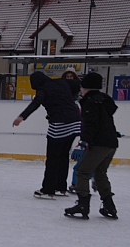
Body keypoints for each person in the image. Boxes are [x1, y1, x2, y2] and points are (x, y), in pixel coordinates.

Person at [12, 71, 81, 199]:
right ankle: (61, 187)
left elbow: (35, 103)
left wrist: (21, 117)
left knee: (53, 158)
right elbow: (78, 84)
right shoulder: (61, 82)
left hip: (60, 123)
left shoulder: (43, 90)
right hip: (75, 122)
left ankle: (48, 189)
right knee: (63, 156)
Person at [64, 73, 120, 220]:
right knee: (99, 173)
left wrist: (83, 142)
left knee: (82, 171)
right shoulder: (104, 99)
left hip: (99, 143)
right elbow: (105, 120)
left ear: (87, 87)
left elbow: (91, 125)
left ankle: (82, 204)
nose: (80, 90)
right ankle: (109, 206)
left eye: (82, 87)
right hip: (111, 143)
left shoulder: (90, 102)